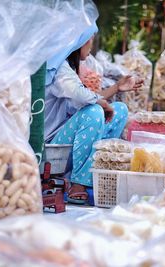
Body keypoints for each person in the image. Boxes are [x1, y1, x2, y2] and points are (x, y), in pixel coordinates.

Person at [44, 23, 142, 204]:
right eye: (90, 39)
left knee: (120, 109)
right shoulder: (58, 68)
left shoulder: (69, 68)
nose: (91, 44)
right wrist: (100, 102)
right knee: (94, 112)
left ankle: (95, 172)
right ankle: (79, 182)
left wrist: (116, 88)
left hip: (66, 150)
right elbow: (79, 94)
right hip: (51, 153)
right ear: (79, 42)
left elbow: (86, 99)